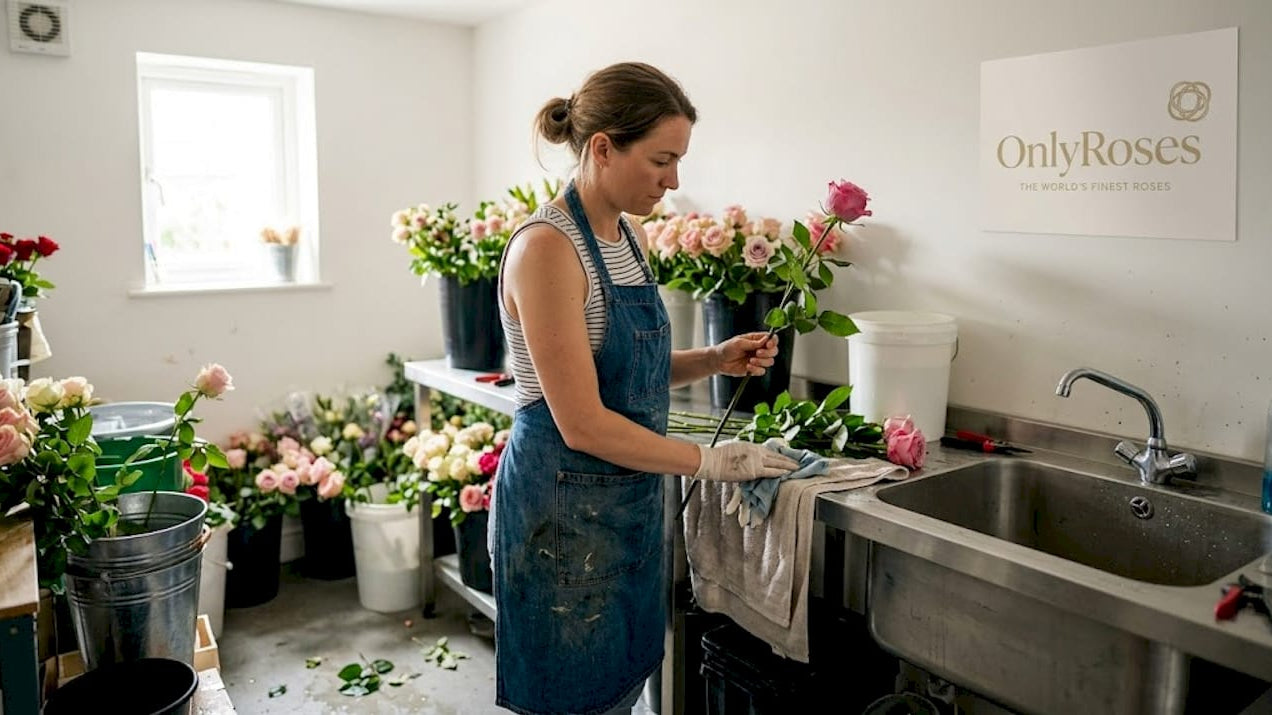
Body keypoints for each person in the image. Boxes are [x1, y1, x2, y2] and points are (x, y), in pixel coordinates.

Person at [491, 61, 800, 715]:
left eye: (679, 159)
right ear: (602, 147)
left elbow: (627, 368)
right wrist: (713, 461)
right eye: (662, 159)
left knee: (618, 688)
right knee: (571, 697)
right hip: (560, 512)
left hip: (622, 508)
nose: (674, 179)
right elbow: (584, 422)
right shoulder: (547, 248)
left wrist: (716, 357)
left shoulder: (628, 236)